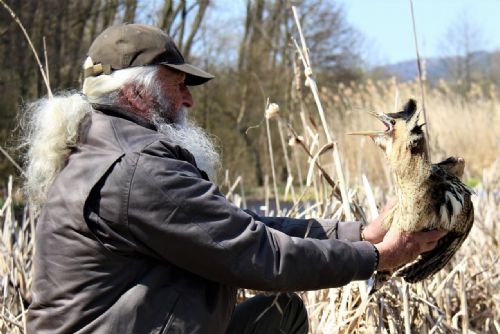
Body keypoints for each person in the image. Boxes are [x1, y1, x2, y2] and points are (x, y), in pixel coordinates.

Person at [24, 24, 446, 334]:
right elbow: (256, 253)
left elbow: (235, 225)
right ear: (135, 92)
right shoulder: (136, 169)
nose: (189, 98)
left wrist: (359, 233)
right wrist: (375, 258)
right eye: (178, 84)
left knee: (279, 315)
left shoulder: (104, 148)